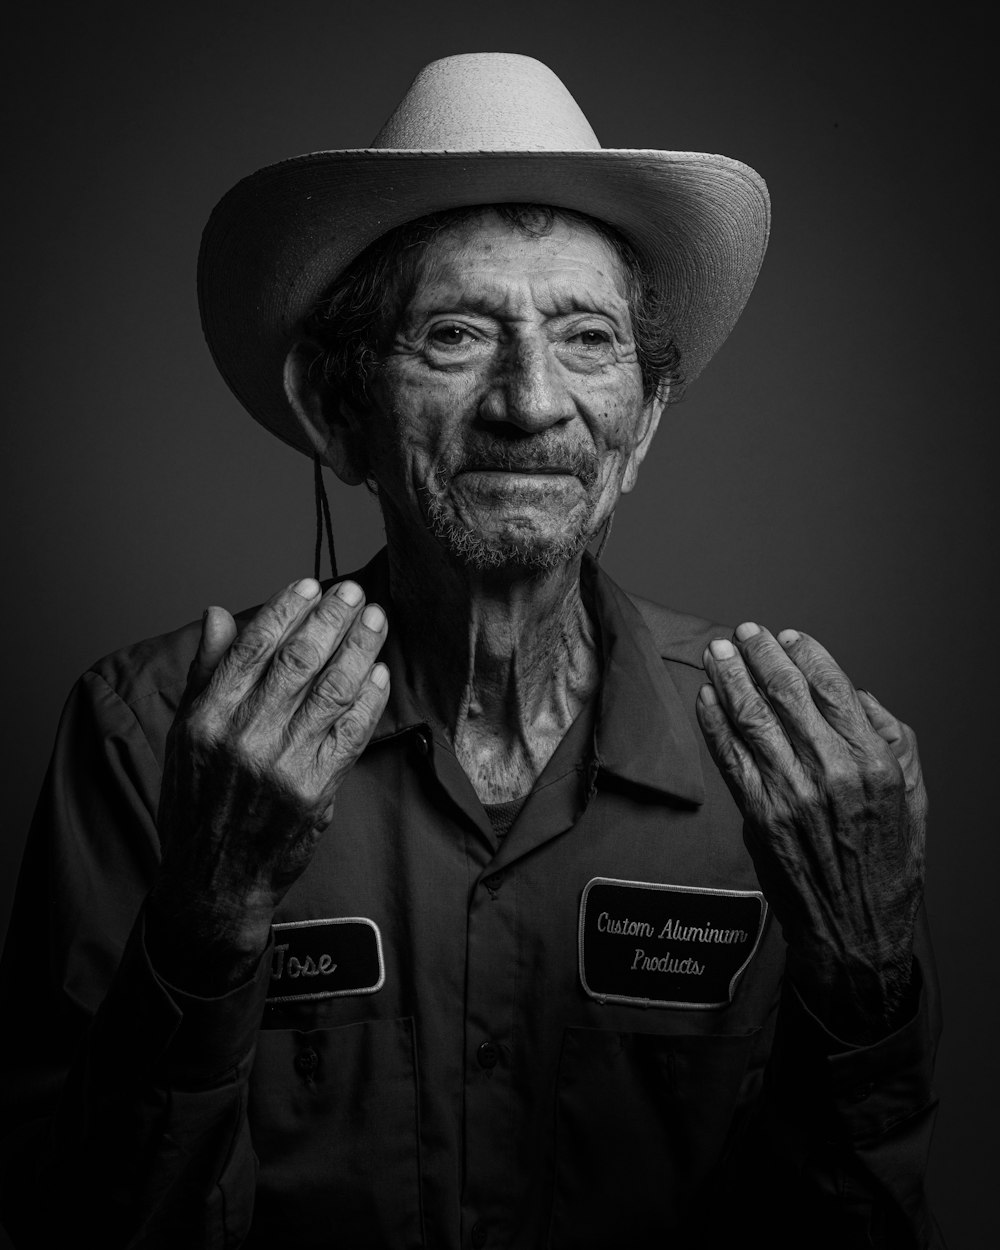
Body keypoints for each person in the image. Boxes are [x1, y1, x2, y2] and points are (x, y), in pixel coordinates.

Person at [0, 52, 941, 1249]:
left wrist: (866, 991)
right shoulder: (149, 739)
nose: (530, 401)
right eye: (454, 333)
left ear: (642, 421)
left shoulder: (787, 774)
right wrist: (205, 921)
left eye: (588, 338)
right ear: (341, 413)